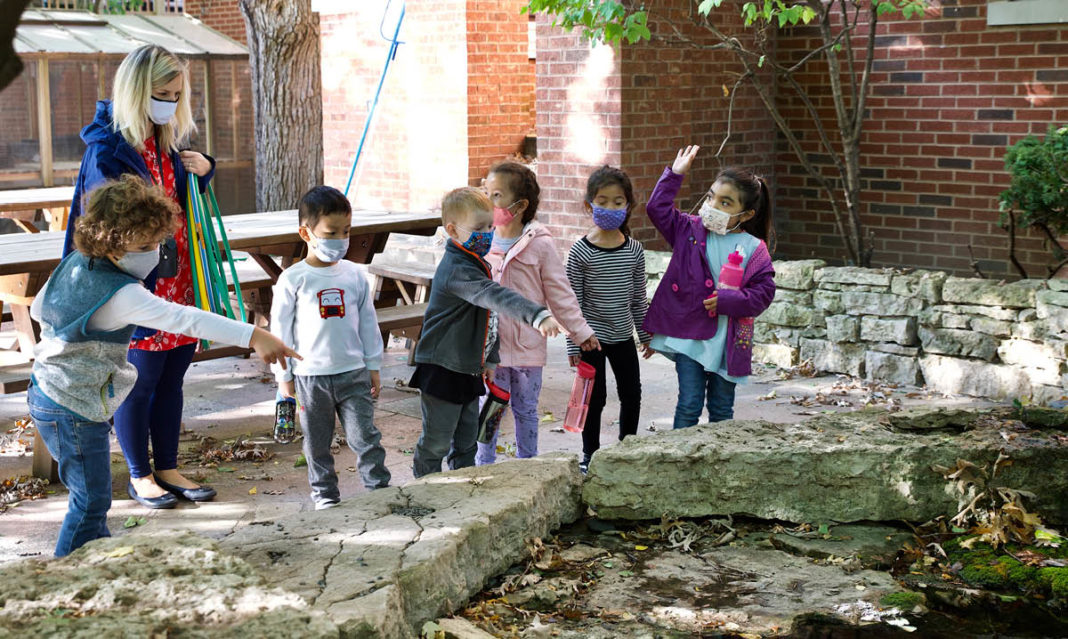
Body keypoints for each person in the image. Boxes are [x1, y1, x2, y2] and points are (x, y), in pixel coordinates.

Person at [28, 176, 299, 556]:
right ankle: (63, 580)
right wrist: (255, 335)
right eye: (143, 246)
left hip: (47, 391)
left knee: (91, 498)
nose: (153, 253)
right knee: (91, 502)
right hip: (72, 408)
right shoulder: (121, 294)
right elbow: (185, 319)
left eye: (157, 243)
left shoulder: (76, 263)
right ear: (111, 241)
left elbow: (40, 309)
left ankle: (96, 562)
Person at [63, 44, 220, 508]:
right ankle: (139, 474)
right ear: (135, 91)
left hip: (177, 272)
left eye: (176, 93)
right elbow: (106, 221)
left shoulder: (163, 137)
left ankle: (168, 467)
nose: (171, 102)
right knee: (139, 377)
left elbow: (176, 190)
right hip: (134, 278)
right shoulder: (108, 149)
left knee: (173, 376)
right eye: (161, 93)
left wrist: (206, 169)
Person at [409, 187, 563, 478]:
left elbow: (486, 320)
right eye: (479, 228)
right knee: (436, 442)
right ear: (453, 230)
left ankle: (464, 486)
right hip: (442, 369)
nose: (488, 233)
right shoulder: (458, 268)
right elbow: (495, 297)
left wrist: (490, 360)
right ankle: (423, 491)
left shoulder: (475, 262)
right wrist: (536, 314)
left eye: (490, 225)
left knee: (467, 439)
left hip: (468, 369)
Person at [270, 186, 390, 510]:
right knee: (317, 442)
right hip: (311, 378)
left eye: (346, 231)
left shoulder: (354, 275)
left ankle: (379, 488)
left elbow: (368, 321)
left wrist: (373, 365)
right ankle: (324, 494)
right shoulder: (293, 279)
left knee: (365, 437)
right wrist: (285, 380)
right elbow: (279, 333)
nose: (340, 238)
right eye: (331, 232)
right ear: (305, 232)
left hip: (354, 373)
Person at [474, 161, 599, 466]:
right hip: (490, 352)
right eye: (486, 192)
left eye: (496, 195)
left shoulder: (541, 244)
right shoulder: (479, 242)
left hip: (529, 350)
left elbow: (560, 293)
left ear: (519, 205)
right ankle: (482, 465)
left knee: (526, 410)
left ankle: (527, 465)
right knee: (489, 409)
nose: (488, 201)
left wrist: (580, 332)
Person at [644, 145, 776, 429]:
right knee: (689, 402)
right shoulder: (687, 229)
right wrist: (674, 175)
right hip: (690, 338)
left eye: (725, 203)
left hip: (727, 342)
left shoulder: (754, 249)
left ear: (746, 214)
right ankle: (678, 459)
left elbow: (764, 293)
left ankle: (719, 461)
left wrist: (730, 300)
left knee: (721, 407)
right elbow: (656, 208)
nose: (713, 207)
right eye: (711, 197)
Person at [565, 166, 652, 473]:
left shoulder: (634, 250)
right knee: (594, 398)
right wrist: (573, 343)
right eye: (603, 200)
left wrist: (645, 334)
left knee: (632, 393)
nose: (611, 207)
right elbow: (571, 304)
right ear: (589, 205)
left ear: (628, 205)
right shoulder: (580, 252)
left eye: (618, 201)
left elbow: (637, 298)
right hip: (591, 340)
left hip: (623, 338)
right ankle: (590, 454)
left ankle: (628, 447)